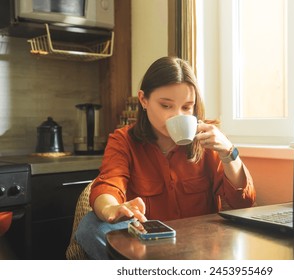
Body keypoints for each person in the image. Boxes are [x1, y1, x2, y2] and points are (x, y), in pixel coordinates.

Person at [75, 56, 256, 259]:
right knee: (90, 226)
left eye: (187, 107)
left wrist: (228, 152)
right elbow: (109, 184)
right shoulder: (124, 140)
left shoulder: (208, 139)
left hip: (198, 249)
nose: (177, 115)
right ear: (143, 100)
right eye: (166, 105)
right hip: (148, 249)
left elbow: (243, 204)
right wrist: (112, 208)